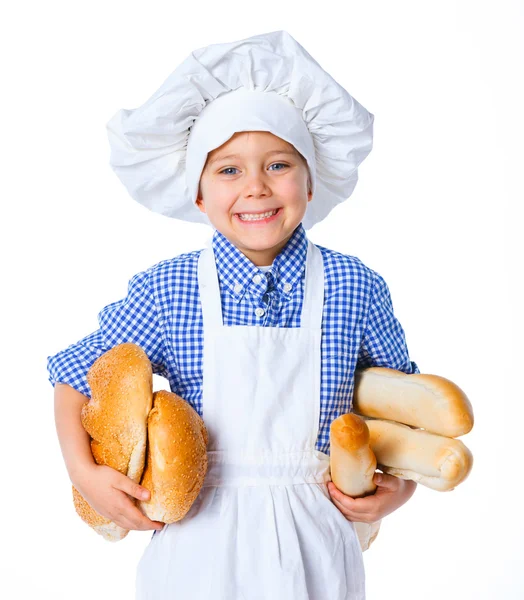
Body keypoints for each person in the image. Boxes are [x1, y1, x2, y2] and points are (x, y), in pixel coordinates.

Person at [48, 30, 419, 600]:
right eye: (228, 171)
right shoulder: (168, 290)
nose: (255, 188)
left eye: (277, 165)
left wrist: (400, 490)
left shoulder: (355, 286)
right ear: (196, 194)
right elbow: (75, 377)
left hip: (316, 542)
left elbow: (405, 413)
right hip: (198, 541)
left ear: (311, 180)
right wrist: (84, 473)